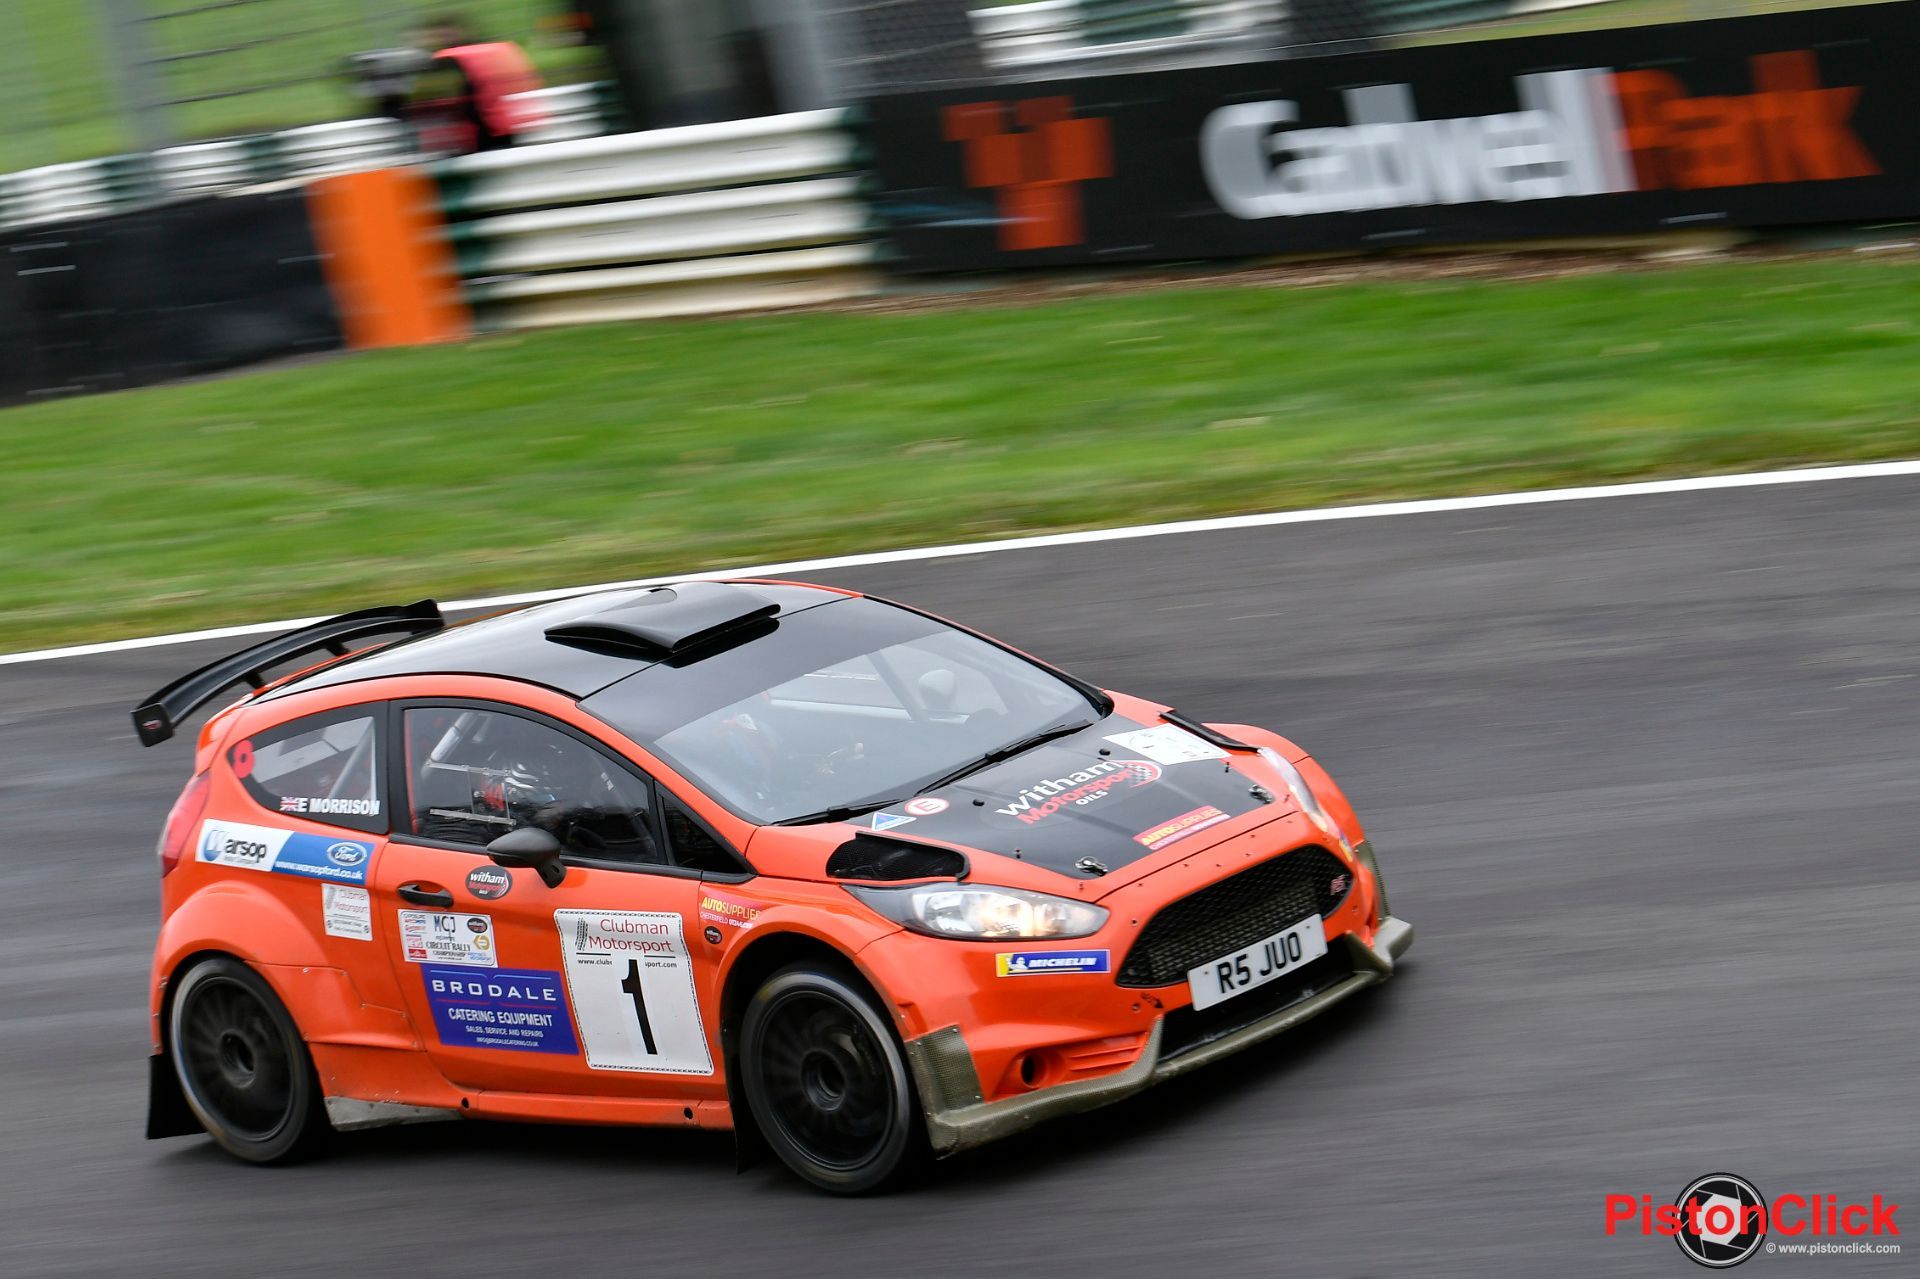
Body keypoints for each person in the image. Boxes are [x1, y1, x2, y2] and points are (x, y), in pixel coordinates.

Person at [402, 12, 546, 154]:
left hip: (477, 130)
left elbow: (440, 101)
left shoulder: (449, 58)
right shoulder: (487, 50)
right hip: (504, 124)